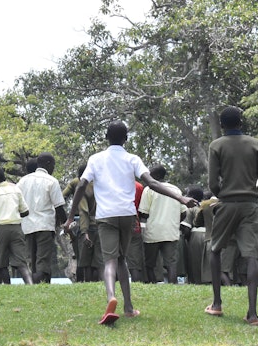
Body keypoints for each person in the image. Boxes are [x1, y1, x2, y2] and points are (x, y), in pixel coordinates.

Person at [64, 120, 196, 325]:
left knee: (109, 261)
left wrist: (70, 216)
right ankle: (128, 308)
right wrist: (181, 198)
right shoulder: (132, 159)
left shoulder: (96, 159)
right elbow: (151, 182)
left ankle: (111, 298)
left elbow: (81, 184)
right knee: (122, 259)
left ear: (106, 138)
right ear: (126, 139)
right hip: (127, 215)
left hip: (106, 215)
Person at [204, 106, 258, 326]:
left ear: (222, 125)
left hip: (227, 203)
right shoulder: (256, 144)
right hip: (250, 205)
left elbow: (213, 183)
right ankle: (252, 314)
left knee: (215, 249)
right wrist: (251, 195)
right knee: (251, 256)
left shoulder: (217, 146)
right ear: (241, 122)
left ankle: (216, 303)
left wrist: (223, 195)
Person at [17, 152, 67, 283]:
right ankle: (40, 288)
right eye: (53, 165)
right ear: (48, 164)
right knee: (43, 262)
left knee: (32, 261)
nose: (53, 168)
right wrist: (66, 223)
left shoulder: (22, 181)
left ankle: (33, 288)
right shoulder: (51, 181)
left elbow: (16, 204)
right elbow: (59, 207)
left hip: (27, 226)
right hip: (44, 226)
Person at [0, 166, 34, 284]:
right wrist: (14, 214)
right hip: (16, 228)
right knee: (21, 262)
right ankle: (30, 285)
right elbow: (26, 211)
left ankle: (1, 287)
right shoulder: (16, 190)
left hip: (1, 228)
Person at [138, 164, 185, 284]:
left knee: (150, 263)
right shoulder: (176, 190)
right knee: (171, 263)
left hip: (153, 231)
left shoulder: (149, 189)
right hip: (171, 231)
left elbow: (143, 213)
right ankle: (173, 286)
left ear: (156, 176)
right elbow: (183, 212)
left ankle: (153, 284)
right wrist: (173, 221)